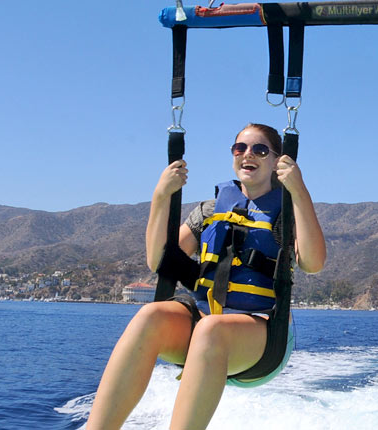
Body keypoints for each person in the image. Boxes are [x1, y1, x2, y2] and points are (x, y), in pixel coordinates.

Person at [87, 123, 326, 430]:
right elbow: (159, 260)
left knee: (212, 329)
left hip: (263, 338)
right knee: (150, 316)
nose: (248, 154)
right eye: (240, 148)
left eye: (260, 149)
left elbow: (313, 262)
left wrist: (299, 191)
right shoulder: (209, 211)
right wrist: (161, 196)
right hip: (204, 326)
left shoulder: (286, 214)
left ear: (278, 161)